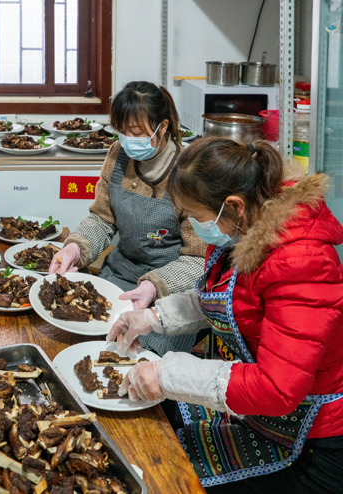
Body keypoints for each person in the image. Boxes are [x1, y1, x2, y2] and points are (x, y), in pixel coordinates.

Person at [108, 137, 343, 493]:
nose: (193, 225)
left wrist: (167, 373)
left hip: (308, 438)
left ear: (233, 206)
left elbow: (278, 387)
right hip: (257, 412)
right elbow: (225, 299)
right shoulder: (247, 228)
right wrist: (153, 317)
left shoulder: (302, 260)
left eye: (196, 217)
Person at [49, 81, 207, 356]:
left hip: (171, 293)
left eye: (135, 133)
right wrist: (76, 247)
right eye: (122, 132)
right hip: (119, 278)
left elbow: (198, 259)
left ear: (163, 127)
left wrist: (154, 286)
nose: (127, 141)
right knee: (78, 336)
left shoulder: (188, 174)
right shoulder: (117, 156)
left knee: (135, 356)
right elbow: (102, 218)